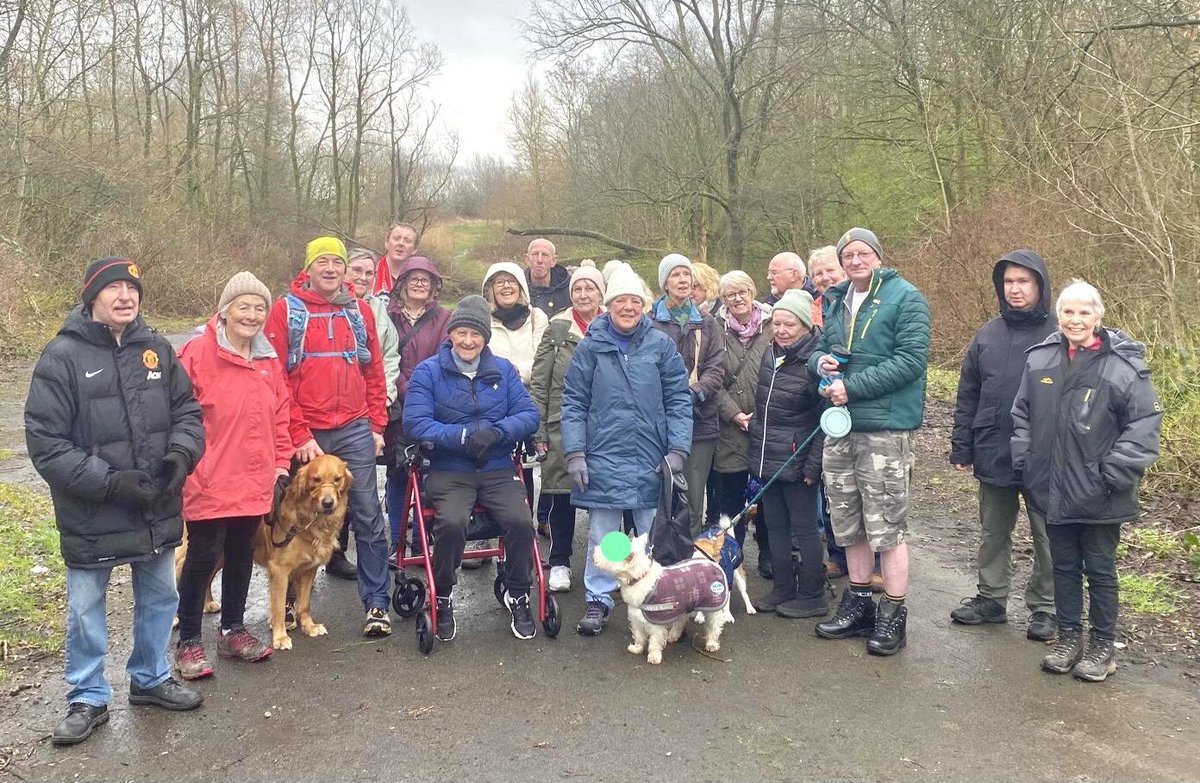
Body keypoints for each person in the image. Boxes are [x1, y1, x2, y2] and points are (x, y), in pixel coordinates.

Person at [26, 257, 206, 746]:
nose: (126, 296)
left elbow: (188, 413)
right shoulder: (61, 357)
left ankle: (149, 678)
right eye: (114, 289)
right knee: (86, 608)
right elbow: (46, 443)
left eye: (133, 289)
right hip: (92, 511)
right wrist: (109, 482)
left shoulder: (157, 351)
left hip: (154, 506)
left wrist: (179, 457)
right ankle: (86, 696)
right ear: (92, 297)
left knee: (159, 597)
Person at [1012, 280, 1161, 682]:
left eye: (1084, 312)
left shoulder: (1122, 366)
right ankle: (1068, 638)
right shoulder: (1040, 360)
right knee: (1062, 566)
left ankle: (1102, 647)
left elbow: (1144, 423)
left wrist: (1113, 473)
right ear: (1057, 315)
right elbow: (1021, 414)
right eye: (1068, 312)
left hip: (1101, 492)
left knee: (1099, 569)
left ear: (1097, 317)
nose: (1075, 320)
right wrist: (1026, 460)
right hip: (1051, 487)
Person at [264, 236, 392, 638]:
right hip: (308, 431)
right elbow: (275, 377)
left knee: (369, 515)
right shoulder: (286, 311)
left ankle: (376, 604)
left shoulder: (359, 311)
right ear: (308, 268)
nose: (331, 269)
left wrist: (375, 424)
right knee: (295, 515)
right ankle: (290, 606)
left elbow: (373, 371)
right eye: (323, 262)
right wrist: (298, 432)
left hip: (354, 426)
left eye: (337, 263)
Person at [811, 228, 930, 656]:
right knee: (848, 520)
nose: (855, 261)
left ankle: (893, 612)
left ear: (878, 256)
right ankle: (858, 601)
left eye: (863, 253)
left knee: (887, 526)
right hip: (841, 427)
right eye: (848, 255)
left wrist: (852, 387)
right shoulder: (836, 298)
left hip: (885, 427)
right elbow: (822, 347)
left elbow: (911, 361)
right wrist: (818, 363)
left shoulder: (906, 297)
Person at [562, 265, 691, 636]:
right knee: (607, 536)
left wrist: (678, 449)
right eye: (621, 301)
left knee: (651, 534)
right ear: (608, 305)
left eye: (635, 301)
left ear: (644, 306)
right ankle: (599, 599)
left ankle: (659, 599)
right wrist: (575, 453)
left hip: (653, 455)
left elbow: (679, 399)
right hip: (604, 454)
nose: (629, 307)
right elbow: (573, 402)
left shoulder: (661, 345)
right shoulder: (590, 346)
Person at [403, 295, 541, 641]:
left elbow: (529, 415)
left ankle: (518, 592)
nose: (468, 341)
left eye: (475, 334)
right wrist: (462, 435)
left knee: (521, 522)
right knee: (451, 523)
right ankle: (444, 594)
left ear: (485, 338)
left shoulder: (504, 370)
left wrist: (497, 432)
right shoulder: (429, 372)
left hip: (496, 465)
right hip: (449, 468)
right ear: (451, 334)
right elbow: (415, 422)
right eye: (461, 332)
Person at [174, 272, 291, 678]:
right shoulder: (196, 353)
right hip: (209, 474)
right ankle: (189, 640)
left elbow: (282, 411)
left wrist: (281, 460)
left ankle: (233, 631)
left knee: (242, 551)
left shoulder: (267, 359)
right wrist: (185, 462)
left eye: (260, 308)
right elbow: (176, 413)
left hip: (255, 476)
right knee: (204, 554)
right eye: (244, 306)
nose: (252, 315)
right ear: (224, 312)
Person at [949, 250, 1058, 641]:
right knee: (993, 530)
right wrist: (961, 444)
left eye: (1023, 281)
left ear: (1040, 286)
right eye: (1008, 282)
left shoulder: (1061, 332)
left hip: (1047, 455)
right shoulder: (987, 334)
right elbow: (969, 393)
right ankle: (992, 598)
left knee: (1048, 533)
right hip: (993, 446)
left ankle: (1047, 607)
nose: (1015, 289)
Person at [748, 289, 827, 617]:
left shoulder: (816, 362)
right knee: (775, 525)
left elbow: (826, 420)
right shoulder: (770, 354)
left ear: (806, 326)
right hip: (768, 458)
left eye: (789, 324)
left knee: (805, 528)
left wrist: (812, 466)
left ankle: (813, 594)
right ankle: (782, 587)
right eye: (776, 323)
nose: (781, 330)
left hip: (798, 462)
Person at [529, 260, 606, 593]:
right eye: (577, 288)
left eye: (590, 288)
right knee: (561, 495)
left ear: (601, 293)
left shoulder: (615, 324)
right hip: (563, 425)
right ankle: (560, 561)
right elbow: (540, 383)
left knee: (609, 500)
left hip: (607, 428)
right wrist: (539, 431)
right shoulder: (557, 329)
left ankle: (611, 561)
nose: (583, 293)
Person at [330, 247, 402, 580]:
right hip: (326, 414)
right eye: (355, 270)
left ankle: (367, 573)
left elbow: (387, 357)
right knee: (324, 487)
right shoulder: (319, 306)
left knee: (359, 490)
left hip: (363, 411)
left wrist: (383, 398)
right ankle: (333, 551)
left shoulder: (377, 310)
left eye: (368, 273)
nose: (361, 277)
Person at [650, 253, 725, 533]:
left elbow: (717, 368)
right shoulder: (649, 323)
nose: (682, 280)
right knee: (657, 497)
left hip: (700, 421)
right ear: (664, 283)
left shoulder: (708, 323)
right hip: (657, 420)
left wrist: (693, 394)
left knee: (693, 498)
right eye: (675, 275)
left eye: (686, 275)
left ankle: (688, 567)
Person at [386, 255, 452, 558]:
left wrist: (422, 391)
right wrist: (404, 389)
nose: (419, 283)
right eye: (413, 277)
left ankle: (424, 541)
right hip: (396, 408)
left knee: (432, 472)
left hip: (434, 405)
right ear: (401, 283)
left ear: (434, 286)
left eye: (426, 279)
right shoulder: (386, 315)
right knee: (399, 473)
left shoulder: (444, 319)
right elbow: (383, 357)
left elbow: (445, 357)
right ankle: (398, 541)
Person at [707, 270, 773, 574]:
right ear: (723, 299)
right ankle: (731, 560)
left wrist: (760, 414)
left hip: (768, 422)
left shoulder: (773, 325)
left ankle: (769, 557)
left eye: (743, 291)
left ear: (753, 291)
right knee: (730, 500)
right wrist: (733, 413)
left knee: (769, 498)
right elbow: (709, 376)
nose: (738, 298)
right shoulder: (713, 327)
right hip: (728, 426)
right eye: (730, 294)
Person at [371, 221, 419, 300]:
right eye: (396, 239)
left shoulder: (419, 280)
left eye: (407, 241)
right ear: (386, 243)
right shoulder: (371, 273)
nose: (401, 243)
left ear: (414, 249)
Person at [524, 237, 571, 316]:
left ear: (553, 261)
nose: (539, 260)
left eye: (545, 255)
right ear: (527, 259)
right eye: (535, 254)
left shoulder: (569, 290)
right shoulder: (518, 290)